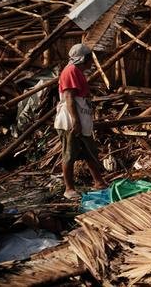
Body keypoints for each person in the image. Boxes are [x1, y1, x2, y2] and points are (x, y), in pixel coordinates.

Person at [54, 44, 107, 200]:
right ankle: (69, 189)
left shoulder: (77, 72)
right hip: (70, 121)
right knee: (69, 154)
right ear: (83, 58)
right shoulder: (70, 71)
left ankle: (98, 182)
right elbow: (69, 97)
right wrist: (75, 120)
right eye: (90, 59)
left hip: (80, 121)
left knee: (90, 152)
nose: (91, 62)